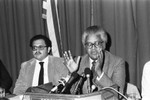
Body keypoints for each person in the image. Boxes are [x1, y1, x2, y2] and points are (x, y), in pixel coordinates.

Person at [63, 25, 126, 95]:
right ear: (84, 46)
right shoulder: (78, 62)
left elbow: (119, 94)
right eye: (89, 44)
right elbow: (72, 94)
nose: (93, 48)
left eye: (97, 43)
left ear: (104, 44)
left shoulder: (117, 63)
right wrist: (72, 74)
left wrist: (99, 72)